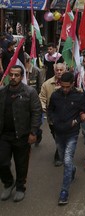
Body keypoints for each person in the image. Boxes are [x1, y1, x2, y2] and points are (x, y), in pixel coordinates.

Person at [0, 65, 41, 202]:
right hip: (4, 135)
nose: (13, 77)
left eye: (16, 75)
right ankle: (8, 182)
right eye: (11, 75)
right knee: (2, 162)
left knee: (21, 164)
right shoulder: (2, 91)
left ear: (21, 76)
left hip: (22, 135)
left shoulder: (29, 92)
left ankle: (19, 187)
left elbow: (36, 112)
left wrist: (33, 132)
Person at [48, 72, 85, 205]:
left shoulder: (79, 96)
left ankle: (64, 192)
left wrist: (77, 120)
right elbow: (50, 110)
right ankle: (72, 169)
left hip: (72, 133)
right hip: (58, 133)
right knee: (62, 157)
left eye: (68, 87)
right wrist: (53, 120)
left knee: (66, 160)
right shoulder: (55, 95)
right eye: (63, 86)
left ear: (72, 84)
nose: (65, 89)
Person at [39, 63, 66, 166]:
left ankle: (59, 156)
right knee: (57, 136)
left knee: (62, 136)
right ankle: (60, 150)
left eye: (61, 70)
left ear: (65, 70)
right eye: (57, 70)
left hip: (66, 117)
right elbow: (41, 98)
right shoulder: (47, 84)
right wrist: (43, 107)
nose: (59, 72)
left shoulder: (71, 82)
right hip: (53, 118)